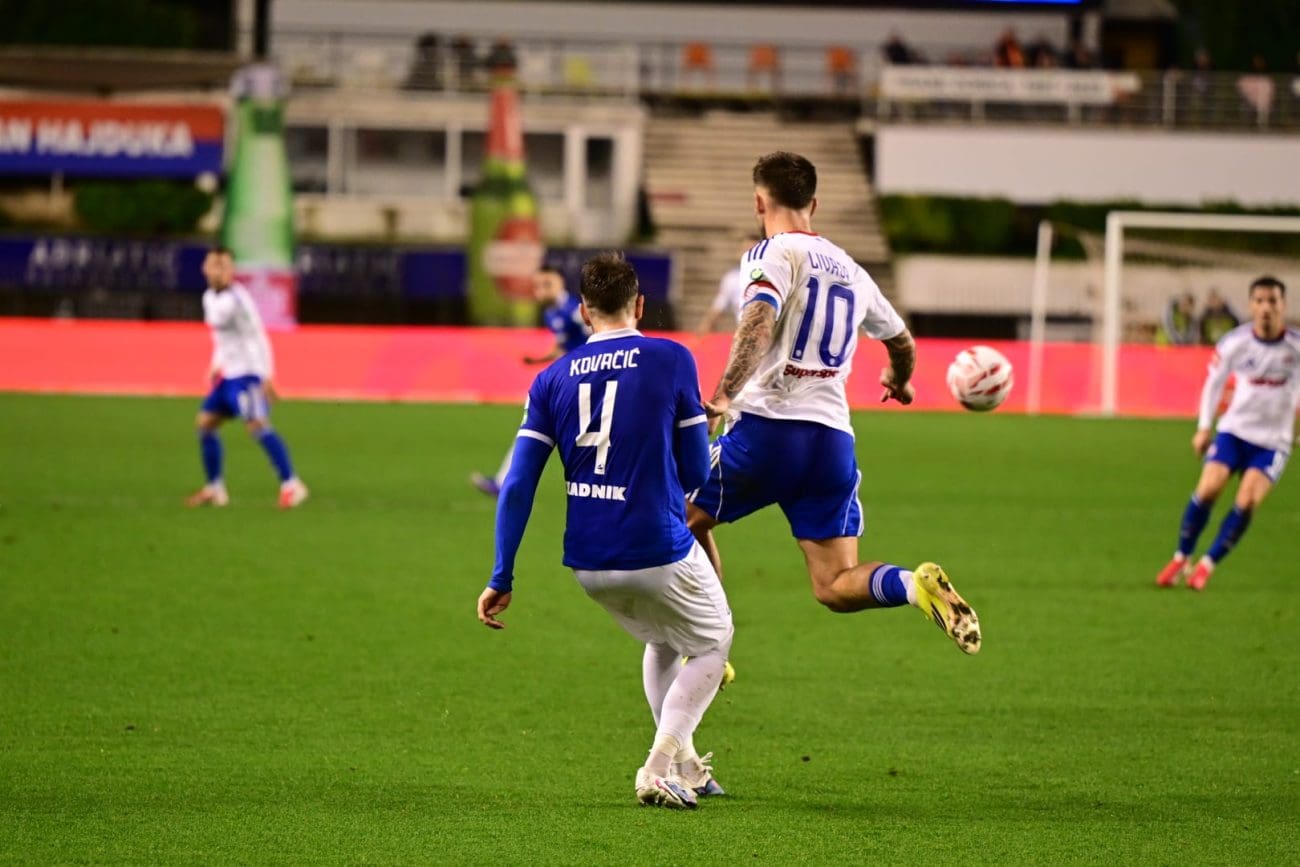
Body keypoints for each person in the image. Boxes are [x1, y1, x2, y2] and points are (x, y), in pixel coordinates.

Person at [685, 151, 981, 655]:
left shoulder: (770, 253)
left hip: (766, 430)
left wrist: (723, 395)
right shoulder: (852, 270)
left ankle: (708, 644)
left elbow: (759, 318)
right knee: (834, 584)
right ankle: (913, 585)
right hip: (831, 444)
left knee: (675, 517)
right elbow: (902, 341)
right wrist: (900, 380)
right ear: (814, 204)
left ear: (760, 201)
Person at [476, 252, 732, 809]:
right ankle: (657, 767)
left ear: (585, 312)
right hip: (654, 547)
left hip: (589, 564)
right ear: (639, 305)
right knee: (714, 642)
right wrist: (705, 427)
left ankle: (687, 764)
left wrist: (502, 574)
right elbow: (694, 474)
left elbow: (518, 485)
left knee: (663, 638)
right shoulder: (670, 358)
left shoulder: (550, 379)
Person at [1155, 276, 1299, 591]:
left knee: (1246, 501)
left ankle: (1207, 564)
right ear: (1251, 305)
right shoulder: (1235, 342)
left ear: (1283, 306)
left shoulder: (1296, 348)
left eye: (1272, 301)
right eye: (1259, 301)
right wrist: (1204, 426)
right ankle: (1182, 556)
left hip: (1273, 443)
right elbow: (1214, 383)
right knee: (1207, 489)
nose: (1265, 308)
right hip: (1233, 432)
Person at [186, 246, 308, 509]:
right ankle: (215, 488)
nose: (218, 270)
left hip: (247, 375)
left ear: (231, 271)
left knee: (257, 426)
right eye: (213, 265)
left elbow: (257, 337)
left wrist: (266, 376)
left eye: (224, 266)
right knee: (205, 424)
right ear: (205, 268)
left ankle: (292, 484)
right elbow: (223, 338)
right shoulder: (210, 296)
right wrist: (215, 364)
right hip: (228, 375)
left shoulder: (236, 300)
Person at [471, 267, 590, 496]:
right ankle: (503, 482)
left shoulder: (575, 311)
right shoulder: (551, 314)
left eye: (547, 284)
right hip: (569, 382)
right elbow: (562, 348)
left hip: (585, 382)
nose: (541, 290)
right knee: (533, 427)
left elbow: (597, 337)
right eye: (538, 286)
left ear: (561, 284)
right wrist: (537, 360)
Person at [695, 235, 761, 335]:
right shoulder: (732, 278)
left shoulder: (773, 277)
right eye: (746, 250)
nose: (749, 255)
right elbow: (718, 307)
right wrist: (704, 329)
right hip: (746, 337)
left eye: (753, 251)